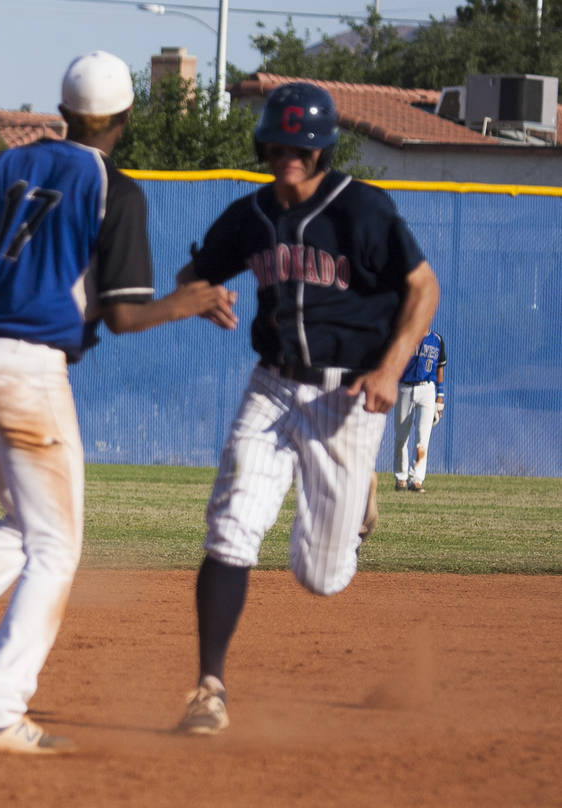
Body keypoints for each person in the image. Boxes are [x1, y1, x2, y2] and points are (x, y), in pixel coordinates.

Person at [0, 50, 226, 755]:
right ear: (126, 117)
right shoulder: (113, 188)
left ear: (63, 111)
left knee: (26, 526)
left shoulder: (9, 163)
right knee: (58, 547)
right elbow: (122, 317)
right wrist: (186, 302)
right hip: (26, 372)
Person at [173, 82, 440, 735]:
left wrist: (391, 367)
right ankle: (209, 689)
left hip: (347, 398)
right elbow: (194, 278)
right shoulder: (250, 216)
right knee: (232, 525)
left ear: (322, 149)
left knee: (320, 576)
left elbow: (423, 286)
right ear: (265, 142)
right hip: (271, 387)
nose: (290, 154)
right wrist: (202, 296)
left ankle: (354, 506)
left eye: (304, 144)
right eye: (280, 142)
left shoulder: (361, 210)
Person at [393, 328, 447, 492]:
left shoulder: (436, 339)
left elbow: (440, 367)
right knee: (402, 435)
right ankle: (401, 478)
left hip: (427, 389)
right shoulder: (404, 334)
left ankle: (416, 479)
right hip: (405, 387)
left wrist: (440, 395)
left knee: (423, 437)